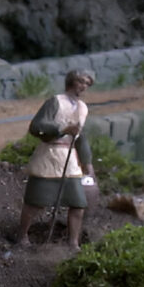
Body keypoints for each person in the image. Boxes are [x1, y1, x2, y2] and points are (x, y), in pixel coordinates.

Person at [15, 69, 96, 246]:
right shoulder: (55, 102)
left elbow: (80, 137)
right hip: (49, 155)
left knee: (78, 203)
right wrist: (62, 129)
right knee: (36, 200)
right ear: (71, 81)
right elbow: (37, 126)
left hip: (70, 160)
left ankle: (73, 243)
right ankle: (22, 235)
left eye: (87, 84)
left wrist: (87, 162)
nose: (83, 86)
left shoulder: (82, 108)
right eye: (81, 81)